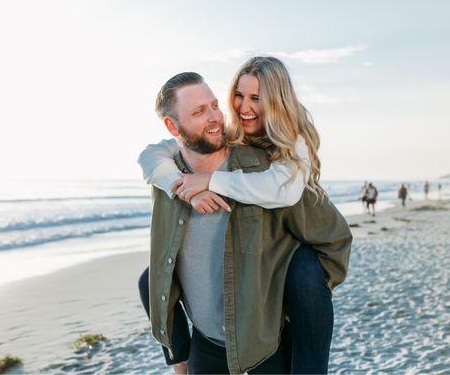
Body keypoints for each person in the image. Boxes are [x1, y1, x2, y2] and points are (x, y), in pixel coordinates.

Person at [138, 64, 352, 374]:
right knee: (148, 276)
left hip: (263, 349)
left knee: (304, 270)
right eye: (199, 112)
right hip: (206, 347)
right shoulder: (168, 178)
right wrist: (180, 362)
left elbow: (332, 236)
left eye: (214, 106)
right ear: (173, 127)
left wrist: (301, 298)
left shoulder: (269, 170)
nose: (215, 116)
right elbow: (149, 155)